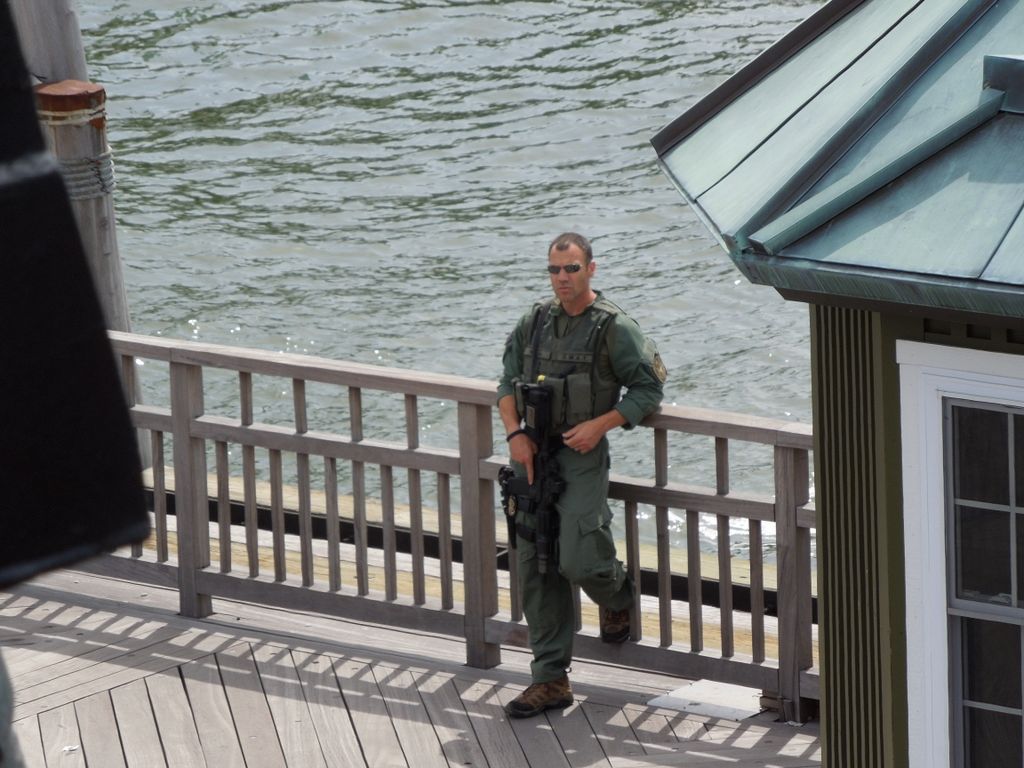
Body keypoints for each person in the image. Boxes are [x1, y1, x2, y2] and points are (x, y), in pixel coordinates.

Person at [497, 232, 666, 718]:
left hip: (581, 452)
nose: (562, 279)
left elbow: (649, 387)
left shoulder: (614, 328)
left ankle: (618, 594)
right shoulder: (534, 322)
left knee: (578, 556)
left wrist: (602, 423)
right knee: (533, 565)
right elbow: (506, 381)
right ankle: (549, 680)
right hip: (530, 454)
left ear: (591, 269)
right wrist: (515, 434)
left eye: (571, 269)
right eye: (554, 270)